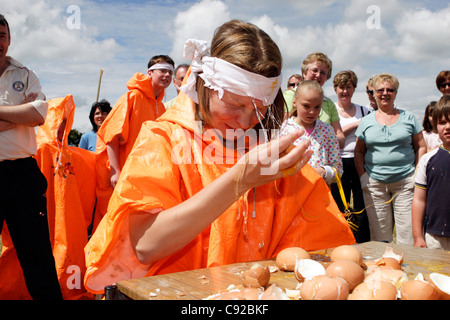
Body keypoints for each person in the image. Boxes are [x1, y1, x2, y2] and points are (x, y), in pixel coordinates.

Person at [83, 20, 355, 295]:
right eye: (235, 104)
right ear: (205, 85)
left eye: (259, 109)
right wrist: (239, 180)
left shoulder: (267, 150)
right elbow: (144, 245)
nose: (245, 121)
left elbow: (320, 246)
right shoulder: (163, 139)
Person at [0, 95, 97, 299]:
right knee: (31, 255)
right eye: (59, 121)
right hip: (37, 213)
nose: (62, 127)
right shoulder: (35, 151)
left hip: (64, 222)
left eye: (66, 122)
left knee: (41, 262)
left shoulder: (72, 154)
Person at [0, 14, 62, 300]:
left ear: (9, 40)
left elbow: (38, 114)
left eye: (2, 35)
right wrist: (19, 114)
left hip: (21, 175)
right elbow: (29, 114)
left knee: (36, 253)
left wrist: (27, 114)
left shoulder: (24, 73)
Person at [93, 55, 174, 230]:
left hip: (147, 176)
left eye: (170, 72)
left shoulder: (162, 107)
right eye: (162, 71)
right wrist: (115, 171)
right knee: (117, 226)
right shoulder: (132, 97)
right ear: (150, 73)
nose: (167, 75)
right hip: (125, 174)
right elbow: (111, 136)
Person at [354, 73, 427, 245]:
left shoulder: (409, 118)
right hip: (375, 185)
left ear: (396, 93)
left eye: (390, 89)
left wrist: (417, 173)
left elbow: (421, 146)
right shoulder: (366, 121)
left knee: (407, 235)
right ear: (374, 93)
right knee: (380, 237)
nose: (385, 93)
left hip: (405, 183)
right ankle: (384, 269)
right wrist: (363, 177)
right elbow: (359, 152)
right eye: (380, 90)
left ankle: (409, 271)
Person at [330, 70, 370, 243]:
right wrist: (355, 124)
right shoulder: (330, 110)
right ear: (335, 89)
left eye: (348, 87)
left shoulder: (364, 111)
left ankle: (363, 243)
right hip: (339, 161)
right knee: (339, 206)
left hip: (359, 160)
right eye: (341, 87)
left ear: (354, 89)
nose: (344, 91)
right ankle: (341, 241)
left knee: (362, 207)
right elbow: (332, 136)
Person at [280, 80, 342, 184]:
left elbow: (338, 169)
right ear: (294, 102)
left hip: (320, 195)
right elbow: (274, 165)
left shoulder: (327, 131)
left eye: (317, 107)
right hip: (290, 194)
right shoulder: (283, 130)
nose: (312, 112)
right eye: (306, 106)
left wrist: (324, 171)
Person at [412, 95, 450, 250]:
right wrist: (418, 236)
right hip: (435, 238)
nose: (447, 126)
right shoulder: (427, 160)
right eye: (442, 122)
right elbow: (419, 200)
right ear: (435, 126)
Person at [300, 52, 345, 148]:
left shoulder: (329, 104)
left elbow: (341, 138)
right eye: (314, 70)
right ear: (304, 73)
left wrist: (324, 138)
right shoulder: (290, 96)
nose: (318, 75)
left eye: (323, 72)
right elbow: (280, 130)